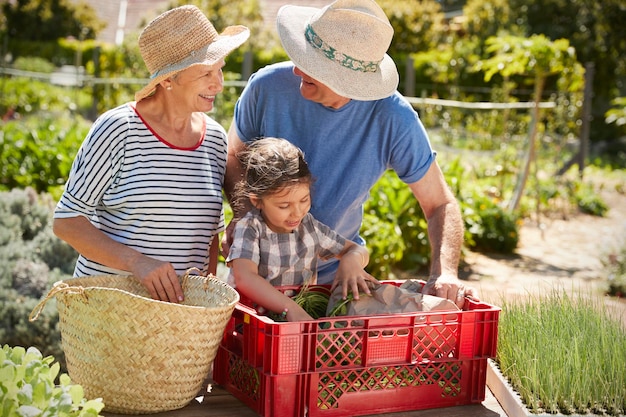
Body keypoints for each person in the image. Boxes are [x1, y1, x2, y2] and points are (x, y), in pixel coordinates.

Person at [222, 0, 478, 308]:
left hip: (335, 284)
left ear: (351, 81)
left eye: (314, 66)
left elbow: (440, 204)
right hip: (259, 280)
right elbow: (232, 157)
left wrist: (445, 272)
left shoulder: (393, 118)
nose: (297, 68)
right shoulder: (267, 87)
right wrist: (246, 218)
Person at [53, 5, 249, 303]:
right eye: (206, 73)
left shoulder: (215, 139)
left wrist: (202, 302)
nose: (219, 84)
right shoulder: (119, 129)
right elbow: (67, 220)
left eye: (220, 69)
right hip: (110, 309)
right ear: (167, 80)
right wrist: (137, 262)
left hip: (178, 318)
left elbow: (208, 235)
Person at [226, 137, 374, 321]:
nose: (297, 213)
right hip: (251, 324)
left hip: (298, 322)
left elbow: (357, 249)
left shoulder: (309, 228)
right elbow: (245, 278)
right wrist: (290, 308)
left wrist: (352, 259)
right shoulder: (251, 228)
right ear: (257, 201)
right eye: (284, 206)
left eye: (304, 200)